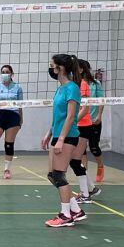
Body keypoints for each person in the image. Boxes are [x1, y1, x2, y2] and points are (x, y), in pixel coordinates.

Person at [41, 54, 86, 228]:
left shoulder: (72, 88)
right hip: (58, 135)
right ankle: (75, 209)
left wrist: (60, 140)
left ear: (61, 68)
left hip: (68, 136)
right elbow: (58, 117)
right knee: (52, 175)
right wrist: (49, 133)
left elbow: (70, 117)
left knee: (60, 175)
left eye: (52, 65)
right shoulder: (60, 88)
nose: (50, 68)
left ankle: (65, 215)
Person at [73, 59, 103, 203]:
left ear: (80, 70)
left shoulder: (84, 84)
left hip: (83, 126)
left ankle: (86, 194)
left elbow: (85, 109)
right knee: (76, 160)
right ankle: (91, 189)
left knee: (76, 160)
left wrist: (72, 123)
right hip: (78, 126)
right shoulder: (75, 85)